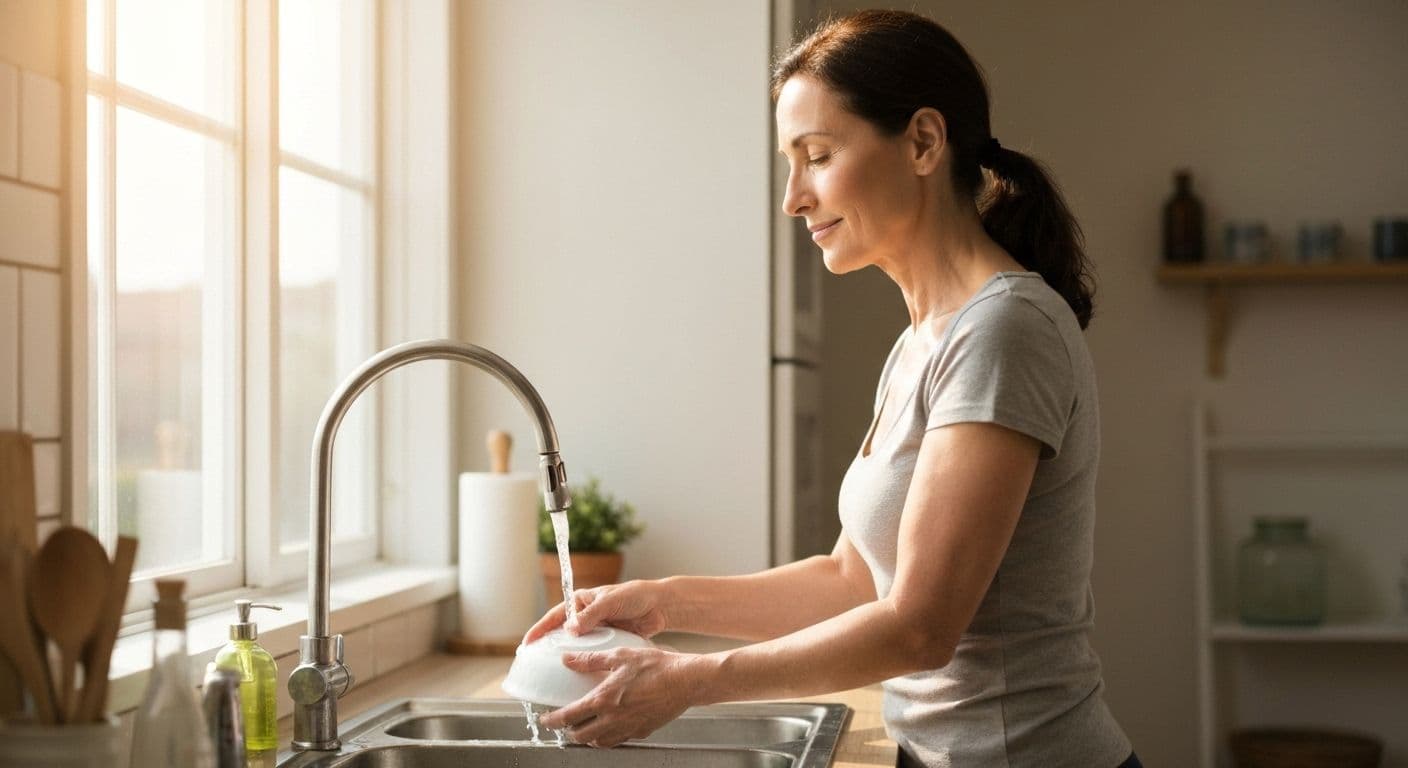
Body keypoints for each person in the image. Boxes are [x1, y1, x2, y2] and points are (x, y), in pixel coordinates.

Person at [527, 9, 1138, 767]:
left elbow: (920, 626)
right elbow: (854, 580)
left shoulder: (1004, 329)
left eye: (816, 155)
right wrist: (665, 602)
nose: (794, 198)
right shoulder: (925, 341)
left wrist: (689, 680)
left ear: (922, 142)